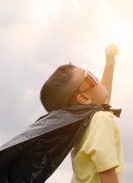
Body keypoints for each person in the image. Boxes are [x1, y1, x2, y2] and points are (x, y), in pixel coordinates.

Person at [40, 44, 124, 183]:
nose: (96, 76)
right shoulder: (101, 120)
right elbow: (107, 170)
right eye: (89, 77)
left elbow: (102, 101)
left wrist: (110, 63)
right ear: (84, 98)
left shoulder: (84, 124)